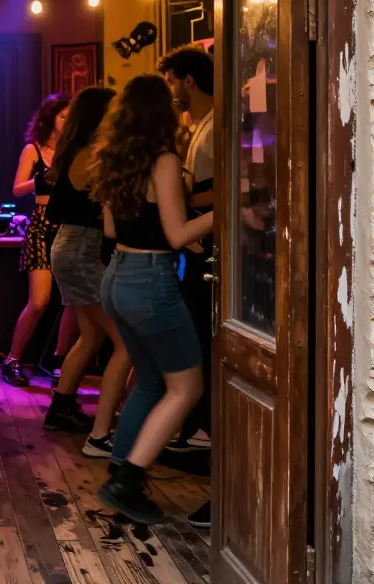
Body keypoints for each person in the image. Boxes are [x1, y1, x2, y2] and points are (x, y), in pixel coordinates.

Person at [92, 74, 214, 525]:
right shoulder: (162, 160)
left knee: (148, 383)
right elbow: (178, 234)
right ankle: (128, 479)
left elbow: (111, 229)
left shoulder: (113, 159)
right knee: (188, 388)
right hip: (150, 282)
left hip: (117, 277)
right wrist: (228, 213)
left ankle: (122, 471)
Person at [42, 87, 129, 448]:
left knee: (91, 336)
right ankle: (112, 419)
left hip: (72, 245)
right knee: (125, 341)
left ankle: (61, 407)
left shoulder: (78, 151)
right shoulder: (93, 154)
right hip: (79, 248)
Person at [160, 44, 215, 528]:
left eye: (172, 80)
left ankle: (205, 436)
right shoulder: (194, 128)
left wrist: (180, 195)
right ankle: (198, 431)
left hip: (209, 248)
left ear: (188, 81)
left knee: (203, 346)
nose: (170, 90)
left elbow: (231, 187)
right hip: (194, 248)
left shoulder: (217, 125)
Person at [1, 93, 75, 387]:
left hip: (68, 226)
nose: (67, 122)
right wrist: (42, 179)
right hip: (42, 226)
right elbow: (17, 189)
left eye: (71, 117)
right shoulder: (33, 150)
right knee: (39, 301)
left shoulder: (73, 150)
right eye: (62, 117)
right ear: (49, 120)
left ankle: (57, 361)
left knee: (73, 300)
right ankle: (12, 361)